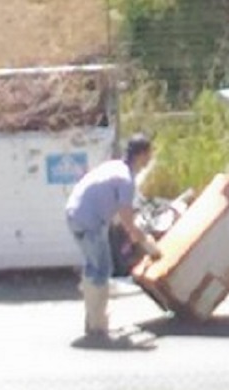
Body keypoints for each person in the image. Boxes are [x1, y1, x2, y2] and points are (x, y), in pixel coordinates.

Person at [65, 134, 163, 340]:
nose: (149, 160)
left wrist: (134, 235)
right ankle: (97, 324)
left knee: (98, 266)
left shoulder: (114, 167)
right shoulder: (126, 179)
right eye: (148, 155)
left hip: (78, 214)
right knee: (100, 269)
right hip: (88, 220)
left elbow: (118, 214)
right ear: (141, 155)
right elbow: (127, 218)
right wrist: (146, 245)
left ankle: (93, 319)